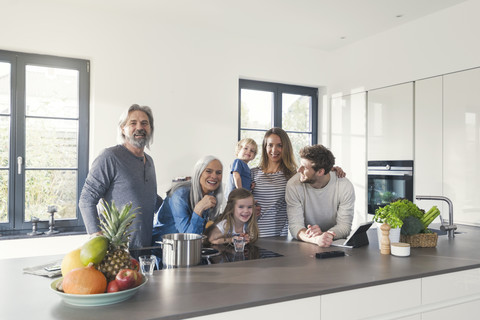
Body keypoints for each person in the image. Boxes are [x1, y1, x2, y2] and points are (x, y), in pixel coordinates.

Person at [79, 104, 162, 253]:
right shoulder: (109, 157)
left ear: (150, 129)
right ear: (123, 129)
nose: (140, 127)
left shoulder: (149, 161)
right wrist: (97, 238)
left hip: (145, 250)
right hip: (117, 252)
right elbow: (86, 199)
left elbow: (149, 196)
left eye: (144, 123)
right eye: (133, 123)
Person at [285, 144, 355, 247]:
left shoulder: (344, 186)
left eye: (304, 167)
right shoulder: (293, 185)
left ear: (320, 172)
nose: (298, 170)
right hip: (307, 244)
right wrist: (316, 239)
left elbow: (344, 226)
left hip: (334, 244)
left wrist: (325, 235)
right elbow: (295, 226)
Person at [152, 155, 224, 240]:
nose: (214, 176)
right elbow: (188, 238)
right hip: (163, 249)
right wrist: (199, 209)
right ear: (198, 172)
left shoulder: (209, 196)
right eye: (208, 171)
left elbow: (201, 233)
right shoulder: (180, 195)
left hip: (186, 249)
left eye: (218, 172)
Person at [251, 127, 298, 237]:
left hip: (279, 238)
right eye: (270, 145)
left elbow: (315, 180)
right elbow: (235, 201)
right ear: (265, 147)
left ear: (285, 148)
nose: (274, 150)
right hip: (252, 236)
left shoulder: (292, 175)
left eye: (279, 145)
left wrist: (332, 171)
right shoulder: (252, 173)